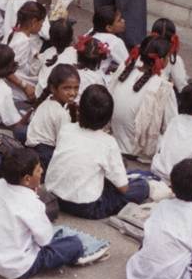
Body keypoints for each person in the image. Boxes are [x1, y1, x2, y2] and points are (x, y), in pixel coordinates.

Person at [0, 148, 103, 279]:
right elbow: (45, 240)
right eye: (38, 170)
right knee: (74, 244)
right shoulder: (31, 203)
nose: (42, 172)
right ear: (27, 179)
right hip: (17, 268)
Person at [46, 85, 151, 219]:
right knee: (142, 187)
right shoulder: (108, 142)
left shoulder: (66, 129)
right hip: (86, 207)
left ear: (80, 110)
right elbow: (124, 189)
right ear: (108, 119)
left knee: (108, 170)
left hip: (54, 196)